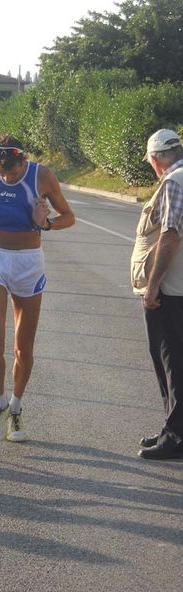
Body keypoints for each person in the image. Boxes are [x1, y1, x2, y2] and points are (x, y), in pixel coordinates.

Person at [0, 134, 75, 442]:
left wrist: (46, 223)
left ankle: (17, 408)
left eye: (13, 172)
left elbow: (69, 217)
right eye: (3, 172)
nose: (8, 177)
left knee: (23, 348)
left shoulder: (43, 175)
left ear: (24, 160)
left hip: (28, 263)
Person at [132, 128, 183, 460]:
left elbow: (170, 235)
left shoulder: (175, 182)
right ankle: (172, 428)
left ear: (156, 159)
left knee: (171, 361)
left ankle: (176, 437)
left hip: (172, 290)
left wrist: (152, 286)